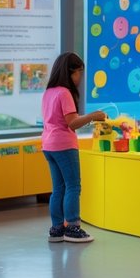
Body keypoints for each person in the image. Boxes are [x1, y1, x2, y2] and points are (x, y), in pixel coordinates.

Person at [42, 52, 107, 244]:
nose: (80, 78)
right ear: (70, 72)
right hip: (64, 145)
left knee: (58, 188)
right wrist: (93, 116)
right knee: (73, 186)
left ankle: (56, 229)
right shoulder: (64, 93)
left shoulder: (49, 92)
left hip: (48, 145)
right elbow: (72, 123)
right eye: (79, 72)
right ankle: (72, 227)